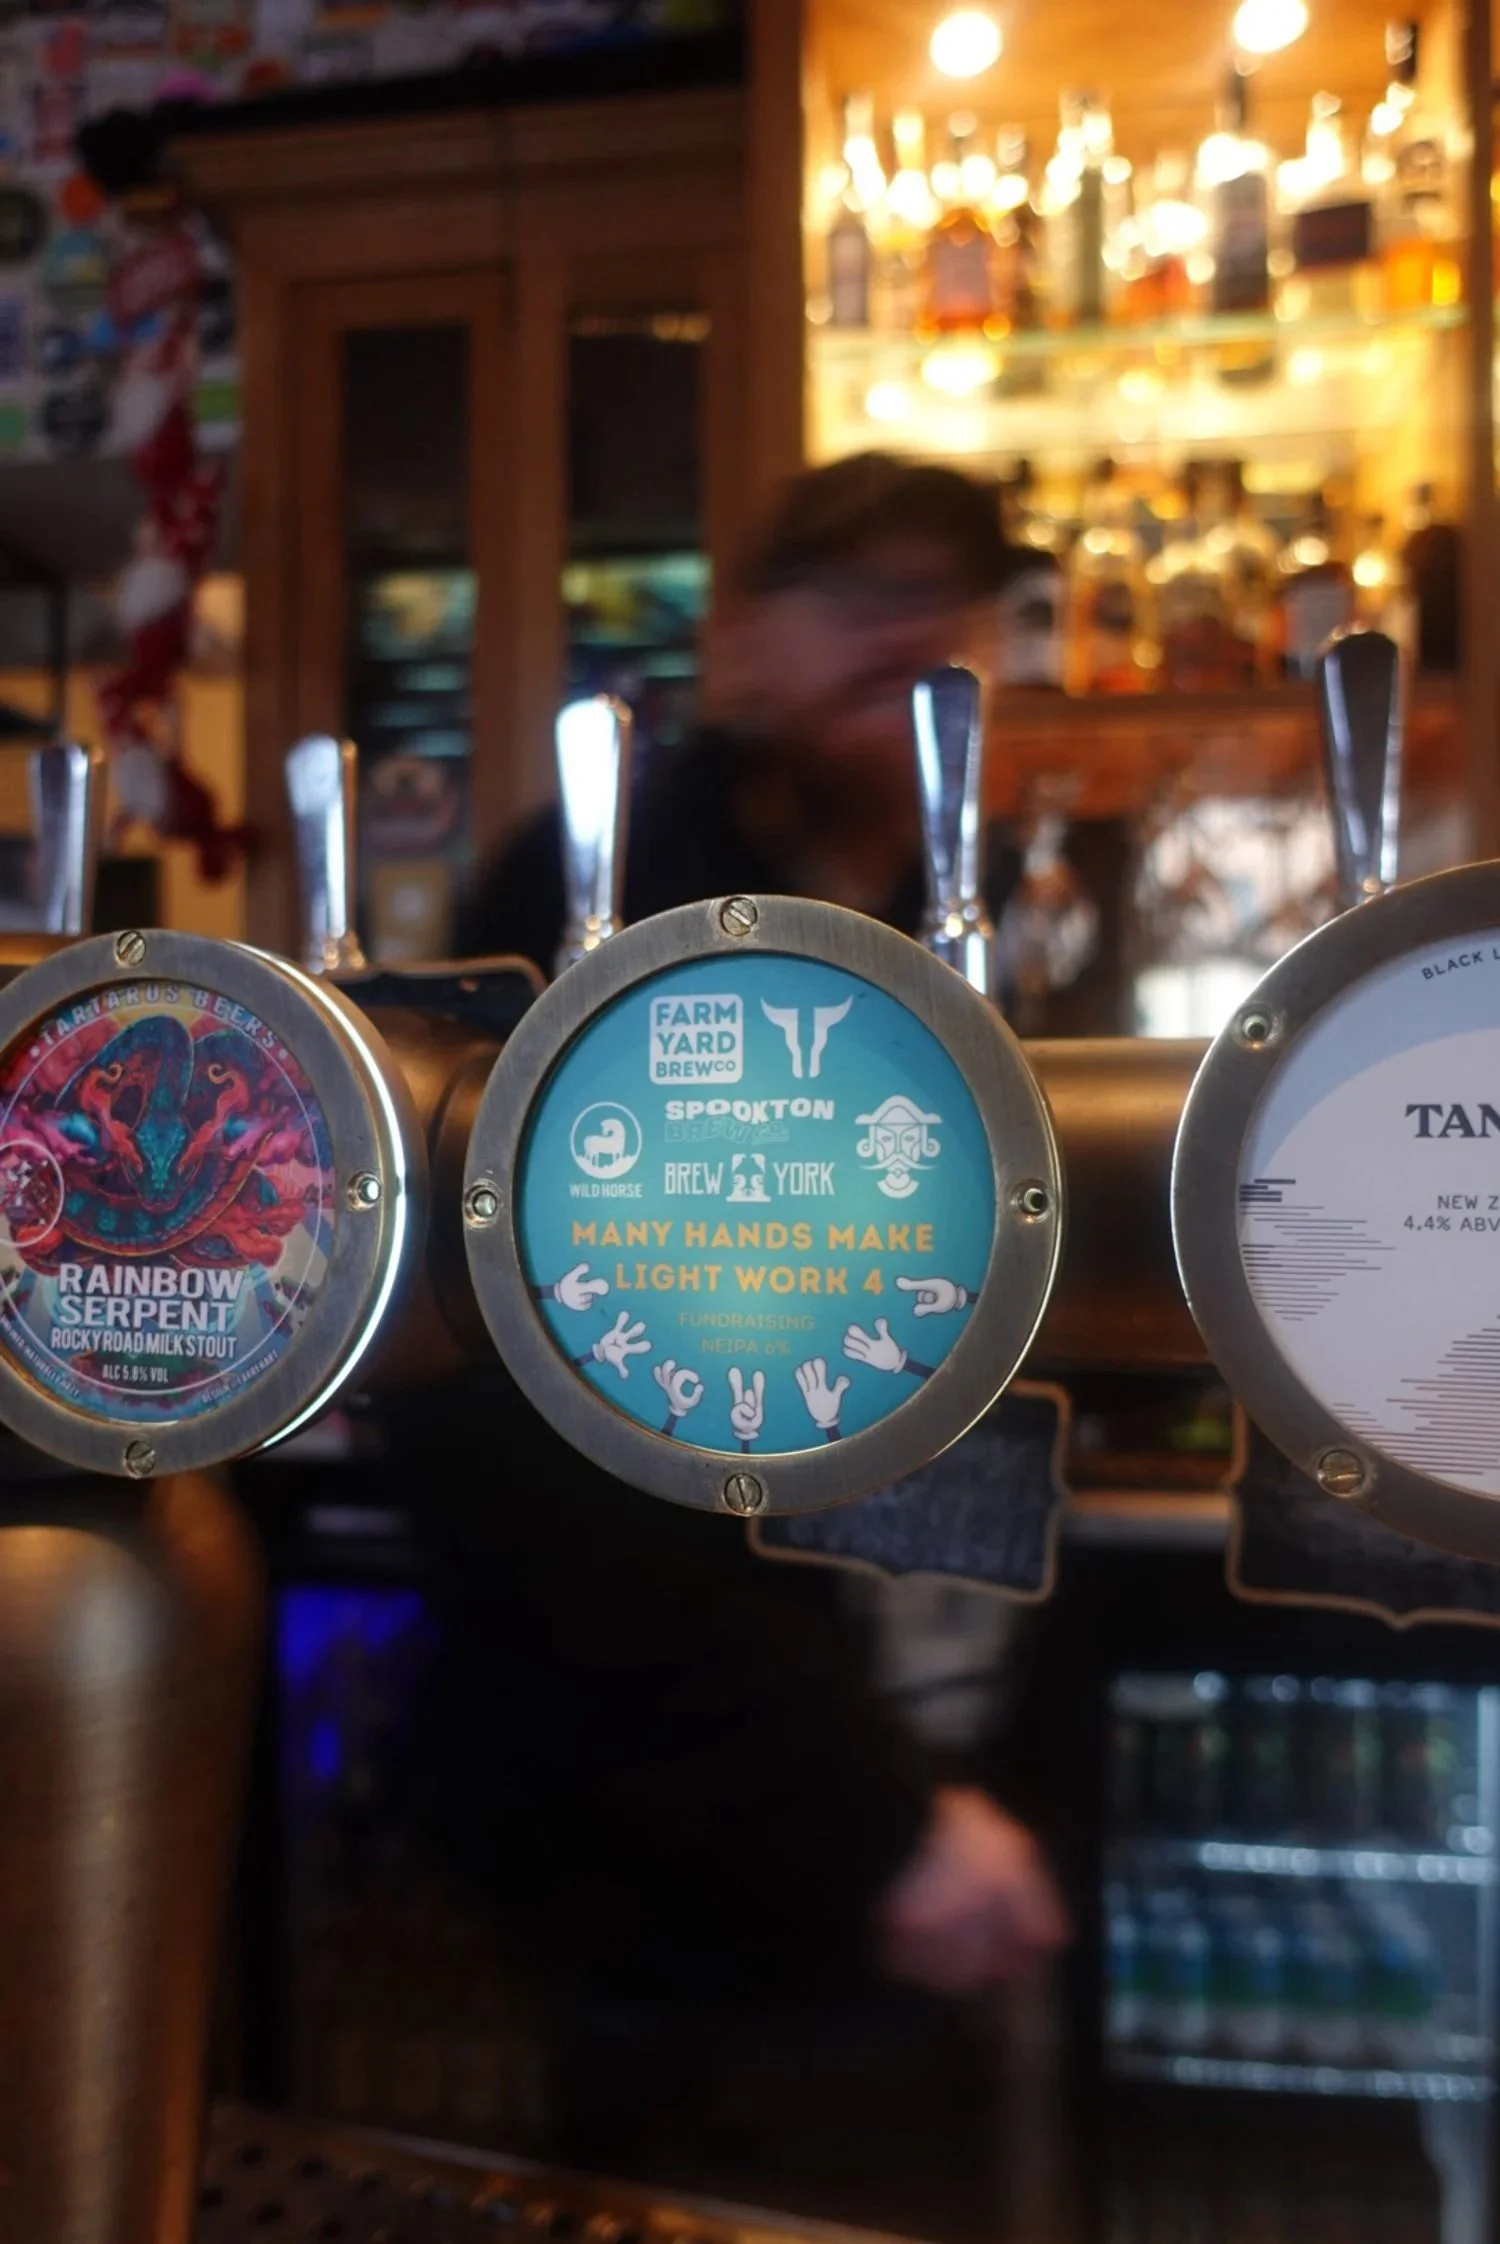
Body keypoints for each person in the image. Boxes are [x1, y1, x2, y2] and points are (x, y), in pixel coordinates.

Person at [415, 455, 1066, 2229]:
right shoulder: (598, 886)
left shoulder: (981, 895)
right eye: (854, 594)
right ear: (744, 644)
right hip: (682, 1844)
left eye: (950, 595)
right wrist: (861, 1819)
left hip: (939, 1770)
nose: (907, 634)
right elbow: (495, 1416)